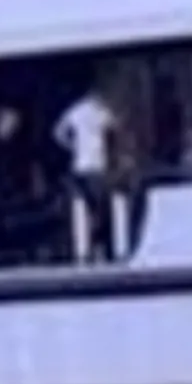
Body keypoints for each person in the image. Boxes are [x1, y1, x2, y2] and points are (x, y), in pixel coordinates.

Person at [58, 83, 127, 264]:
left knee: (86, 207)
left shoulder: (75, 110)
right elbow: (116, 125)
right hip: (97, 165)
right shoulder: (99, 111)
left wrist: (71, 146)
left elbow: (58, 132)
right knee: (100, 208)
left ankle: (86, 247)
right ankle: (100, 246)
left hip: (79, 165)